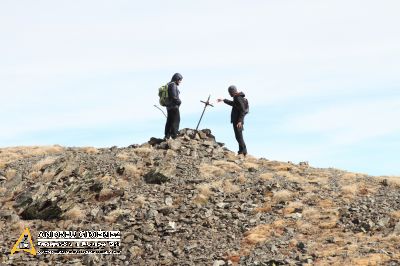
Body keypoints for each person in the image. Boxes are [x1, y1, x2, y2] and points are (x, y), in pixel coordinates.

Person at [217, 85, 248, 156]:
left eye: (229, 92)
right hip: (237, 120)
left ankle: (244, 151)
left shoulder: (238, 98)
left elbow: (243, 110)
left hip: (238, 121)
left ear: (232, 91)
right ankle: (241, 151)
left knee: (239, 136)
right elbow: (233, 104)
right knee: (238, 136)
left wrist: (240, 121)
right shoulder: (237, 97)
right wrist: (223, 100)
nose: (229, 94)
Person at [165, 73, 183, 139]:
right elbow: (174, 96)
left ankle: (167, 135)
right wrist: (179, 102)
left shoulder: (168, 84)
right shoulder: (173, 85)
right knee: (176, 120)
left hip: (169, 107)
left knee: (169, 120)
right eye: (180, 80)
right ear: (176, 79)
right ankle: (174, 135)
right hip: (174, 106)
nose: (180, 82)